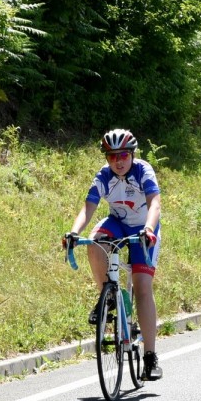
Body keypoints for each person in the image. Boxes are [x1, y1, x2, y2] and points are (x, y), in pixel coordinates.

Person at [63, 129, 163, 380]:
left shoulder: (143, 170)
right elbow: (88, 208)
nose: (118, 162)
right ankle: (106, 296)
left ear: (132, 155)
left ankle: (150, 357)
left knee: (142, 288)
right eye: (111, 157)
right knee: (95, 242)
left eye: (123, 156)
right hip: (117, 222)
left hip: (143, 227)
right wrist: (74, 232)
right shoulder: (104, 176)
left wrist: (149, 229)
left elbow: (155, 203)